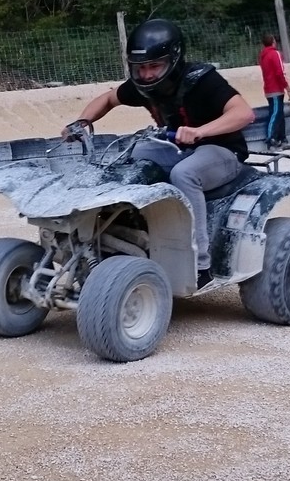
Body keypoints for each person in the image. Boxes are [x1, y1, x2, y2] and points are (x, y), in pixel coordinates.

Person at [63, 19, 255, 286]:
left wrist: (200, 131)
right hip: (179, 148)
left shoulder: (202, 80)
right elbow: (107, 98)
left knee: (184, 174)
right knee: (133, 160)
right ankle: (128, 232)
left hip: (222, 150)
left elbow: (244, 114)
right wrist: (82, 122)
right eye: (140, 68)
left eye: (155, 66)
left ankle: (201, 265)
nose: (147, 74)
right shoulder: (142, 86)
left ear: (173, 60)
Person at [257, 31, 290, 150]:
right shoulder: (275, 54)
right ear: (273, 42)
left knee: (279, 114)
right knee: (275, 114)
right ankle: (271, 139)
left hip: (268, 89)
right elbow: (279, 73)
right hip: (276, 89)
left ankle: (282, 139)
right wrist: (287, 88)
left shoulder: (262, 55)